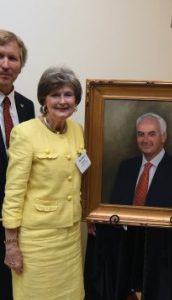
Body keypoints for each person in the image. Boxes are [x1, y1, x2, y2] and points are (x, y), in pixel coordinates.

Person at [84, 112, 172, 300]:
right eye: (140, 134)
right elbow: (115, 206)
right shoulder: (126, 166)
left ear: (164, 136)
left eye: (152, 134)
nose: (145, 139)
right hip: (127, 241)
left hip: (162, 246)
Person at [2, 66, 86, 300]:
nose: (62, 101)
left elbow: (81, 174)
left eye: (68, 94)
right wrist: (11, 244)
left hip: (69, 236)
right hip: (37, 241)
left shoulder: (78, 131)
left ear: (76, 99)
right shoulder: (25, 133)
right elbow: (14, 192)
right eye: (54, 95)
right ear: (43, 99)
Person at [0, 29, 35, 300]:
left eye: (13, 58)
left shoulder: (27, 106)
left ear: (21, 66)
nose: (5, 64)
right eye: (0, 56)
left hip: (19, 217)